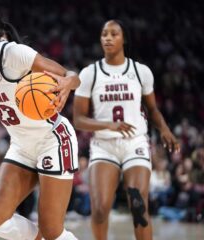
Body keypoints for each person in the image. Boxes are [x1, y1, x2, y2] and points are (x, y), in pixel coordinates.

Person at [0, 6, 80, 240]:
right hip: (21, 144)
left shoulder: (13, 54)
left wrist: (68, 83)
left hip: (53, 139)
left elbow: (70, 75)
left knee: (52, 229)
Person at [73, 20, 180, 240]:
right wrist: (108, 125)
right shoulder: (89, 73)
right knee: (101, 209)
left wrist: (164, 128)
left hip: (135, 143)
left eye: (114, 33)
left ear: (124, 39)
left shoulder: (141, 72)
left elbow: (152, 109)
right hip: (104, 146)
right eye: (104, 34)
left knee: (138, 205)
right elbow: (78, 119)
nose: (108, 38)